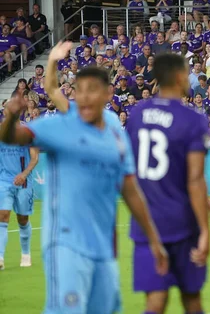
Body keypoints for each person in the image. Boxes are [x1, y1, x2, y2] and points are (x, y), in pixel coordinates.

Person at [0, 41, 168, 313]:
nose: (85, 97)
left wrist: (153, 238)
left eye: (93, 90)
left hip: (104, 245)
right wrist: (10, 115)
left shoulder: (115, 131)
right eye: (80, 91)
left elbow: (129, 189)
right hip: (65, 241)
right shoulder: (59, 126)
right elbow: (13, 136)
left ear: (109, 93)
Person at [126, 54, 210, 314]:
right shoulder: (193, 119)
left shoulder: (137, 113)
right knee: (191, 298)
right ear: (179, 76)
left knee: (155, 301)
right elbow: (195, 178)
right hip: (182, 224)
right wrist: (205, 230)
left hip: (145, 223)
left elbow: (133, 168)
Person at [0, 141, 38, 269]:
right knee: (3, 216)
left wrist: (24, 174)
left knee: (23, 220)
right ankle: (0, 257)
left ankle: (26, 254)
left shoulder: (26, 137)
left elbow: (35, 158)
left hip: (24, 182)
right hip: (4, 182)